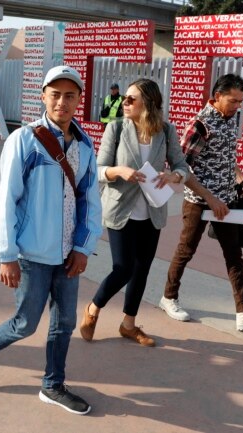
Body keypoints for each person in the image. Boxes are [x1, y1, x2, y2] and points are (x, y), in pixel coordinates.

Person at [0, 65, 102, 415]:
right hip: (31, 253)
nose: (62, 101)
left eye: (70, 95)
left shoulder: (86, 145)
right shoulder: (24, 140)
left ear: (79, 100)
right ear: (43, 96)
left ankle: (52, 384)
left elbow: (91, 200)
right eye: (55, 94)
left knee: (65, 323)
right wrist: (6, 254)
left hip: (68, 254)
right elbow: (6, 199)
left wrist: (83, 247)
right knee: (26, 323)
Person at [160, 73, 243, 331]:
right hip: (198, 202)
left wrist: (240, 180)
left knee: (234, 255)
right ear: (217, 97)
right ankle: (168, 298)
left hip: (225, 202)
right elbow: (181, 169)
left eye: (240, 101)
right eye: (233, 101)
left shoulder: (228, 121)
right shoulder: (200, 126)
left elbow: (226, 158)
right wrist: (210, 198)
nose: (238, 106)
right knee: (185, 250)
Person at [79, 78, 189, 348]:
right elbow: (98, 167)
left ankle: (128, 325)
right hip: (120, 210)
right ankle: (93, 308)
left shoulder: (166, 130)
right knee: (123, 268)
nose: (124, 103)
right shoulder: (116, 128)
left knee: (142, 270)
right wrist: (119, 171)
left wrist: (173, 175)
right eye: (125, 98)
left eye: (131, 99)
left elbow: (182, 165)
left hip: (152, 211)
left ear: (148, 103)